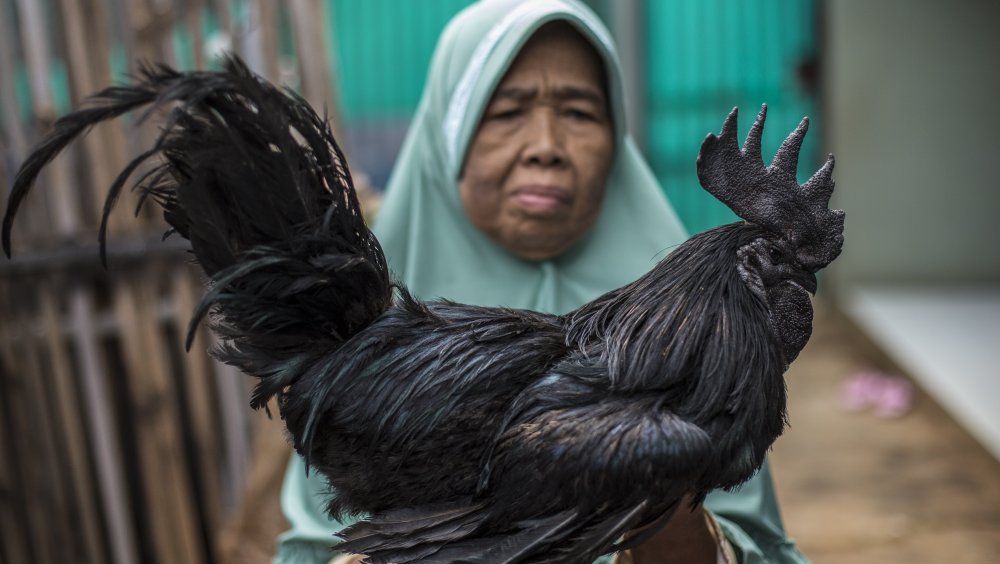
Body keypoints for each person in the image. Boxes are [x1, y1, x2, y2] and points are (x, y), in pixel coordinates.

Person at [274, 1, 808, 562]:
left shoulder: (701, 342)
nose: (546, 146)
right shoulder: (366, 340)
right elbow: (310, 548)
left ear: (615, 134)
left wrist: (659, 487)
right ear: (448, 133)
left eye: (578, 112)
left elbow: (763, 551)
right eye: (507, 112)